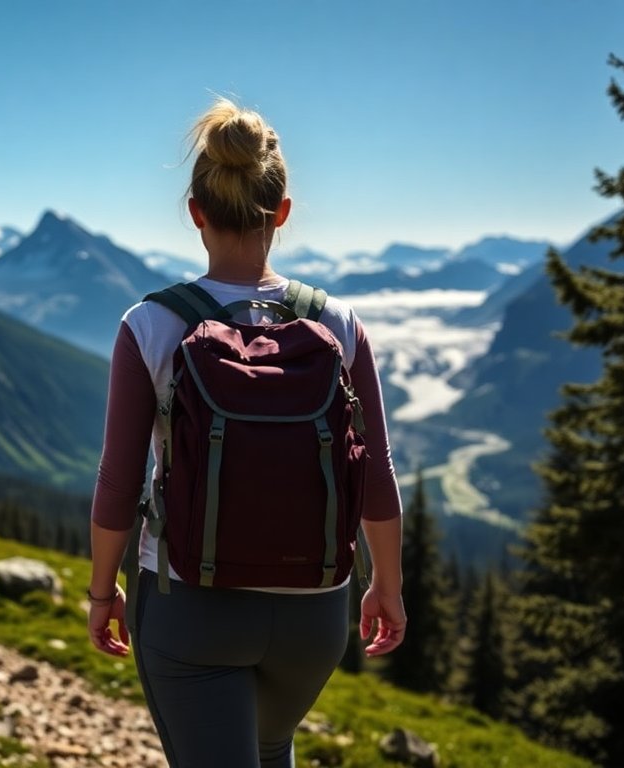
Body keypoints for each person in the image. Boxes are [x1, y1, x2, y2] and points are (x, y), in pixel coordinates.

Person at [86, 97, 407, 768]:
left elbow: (118, 483)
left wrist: (101, 591)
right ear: (282, 210)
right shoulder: (340, 324)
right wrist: (388, 583)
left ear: (196, 211)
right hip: (316, 611)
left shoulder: (149, 326)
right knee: (269, 748)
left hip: (188, 605)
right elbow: (375, 473)